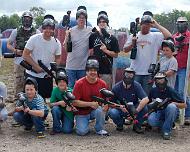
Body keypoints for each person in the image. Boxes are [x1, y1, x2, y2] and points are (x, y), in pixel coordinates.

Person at [124, 14, 171, 94]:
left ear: (150, 25)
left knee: (146, 96)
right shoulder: (134, 36)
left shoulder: (155, 36)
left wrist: (156, 25)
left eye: (148, 24)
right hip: (135, 71)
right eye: (144, 24)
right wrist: (133, 43)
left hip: (148, 73)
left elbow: (169, 36)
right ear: (140, 24)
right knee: (133, 94)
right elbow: (125, 50)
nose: (145, 26)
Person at [23, 17, 61, 99]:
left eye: (50, 28)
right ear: (42, 28)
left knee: (44, 98)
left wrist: (51, 69)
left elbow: (58, 58)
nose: (48, 30)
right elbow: (25, 54)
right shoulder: (34, 39)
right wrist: (36, 67)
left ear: (53, 29)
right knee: (30, 98)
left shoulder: (56, 42)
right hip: (32, 74)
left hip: (46, 76)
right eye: (46, 28)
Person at [72, 57, 109, 136]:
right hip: (81, 112)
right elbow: (74, 102)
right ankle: (82, 124)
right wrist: (90, 104)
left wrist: (106, 105)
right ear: (86, 71)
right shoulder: (79, 83)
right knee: (82, 132)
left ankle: (100, 129)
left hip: (94, 111)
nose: (93, 72)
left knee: (100, 109)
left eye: (95, 70)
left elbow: (106, 99)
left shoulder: (102, 84)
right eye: (90, 70)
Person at [7, 11, 40, 97]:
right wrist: (15, 51)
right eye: (25, 19)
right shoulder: (16, 31)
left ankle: (32, 99)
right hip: (19, 61)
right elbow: (8, 44)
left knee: (32, 80)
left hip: (31, 60)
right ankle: (18, 99)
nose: (27, 21)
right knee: (19, 81)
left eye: (29, 19)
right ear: (22, 20)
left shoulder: (36, 32)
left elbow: (41, 44)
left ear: (31, 20)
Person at [108, 68, 149, 133]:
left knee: (145, 108)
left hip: (134, 107)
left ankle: (137, 126)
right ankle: (120, 124)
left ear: (134, 76)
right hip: (122, 108)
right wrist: (119, 107)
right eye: (127, 74)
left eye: (131, 75)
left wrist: (136, 111)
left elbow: (146, 99)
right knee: (112, 112)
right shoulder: (117, 87)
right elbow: (110, 103)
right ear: (123, 75)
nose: (128, 77)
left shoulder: (136, 85)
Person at [147, 73, 186, 140]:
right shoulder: (153, 90)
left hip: (170, 112)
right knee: (151, 121)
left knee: (172, 107)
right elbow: (148, 103)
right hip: (158, 111)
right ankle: (167, 124)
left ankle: (166, 131)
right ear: (155, 81)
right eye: (157, 80)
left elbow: (184, 105)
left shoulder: (171, 90)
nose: (160, 82)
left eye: (161, 80)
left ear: (165, 80)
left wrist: (173, 103)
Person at [89, 11, 120, 89]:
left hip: (106, 70)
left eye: (104, 22)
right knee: (93, 92)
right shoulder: (93, 36)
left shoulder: (112, 38)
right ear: (98, 24)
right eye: (100, 22)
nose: (102, 23)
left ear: (107, 23)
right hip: (94, 70)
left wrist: (106, 51)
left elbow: (116, 55)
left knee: (105, 93)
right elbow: (90, 50)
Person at [64, 6, 92, 88]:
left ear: (86, 19)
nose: (81, 19)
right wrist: (66, 37)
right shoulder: (71, 31)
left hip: (83, 67)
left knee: (82, 87)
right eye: (79, 18)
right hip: (70, 66)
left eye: (83, 18)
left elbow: (100, 32)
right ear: (76, 19)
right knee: (70, 87)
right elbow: (66, 49)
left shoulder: (90, 30)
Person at [172, 17, 190, 125]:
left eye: (183, 23)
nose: (181, 24)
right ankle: (178, 113)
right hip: (174, 68)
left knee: (181, 92)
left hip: (184, 68)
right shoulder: (175, 37)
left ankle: (187, 115)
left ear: (186, 24)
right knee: (175, 92)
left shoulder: (189, 36)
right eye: (179, 23)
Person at [49, 68, 74, 135]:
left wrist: (70, 107)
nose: (62, 83)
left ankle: (69, 123)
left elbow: (75, 104)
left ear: (66, 83)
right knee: (55, 109)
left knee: (67, 131)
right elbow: (50, 104)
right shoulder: (55, 90)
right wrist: (59, 103)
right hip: (59, 110)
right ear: (57, 83)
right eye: (60, 82)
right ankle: (56, 128)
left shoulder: (71, 91)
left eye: (63, 81)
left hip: (68, 113)